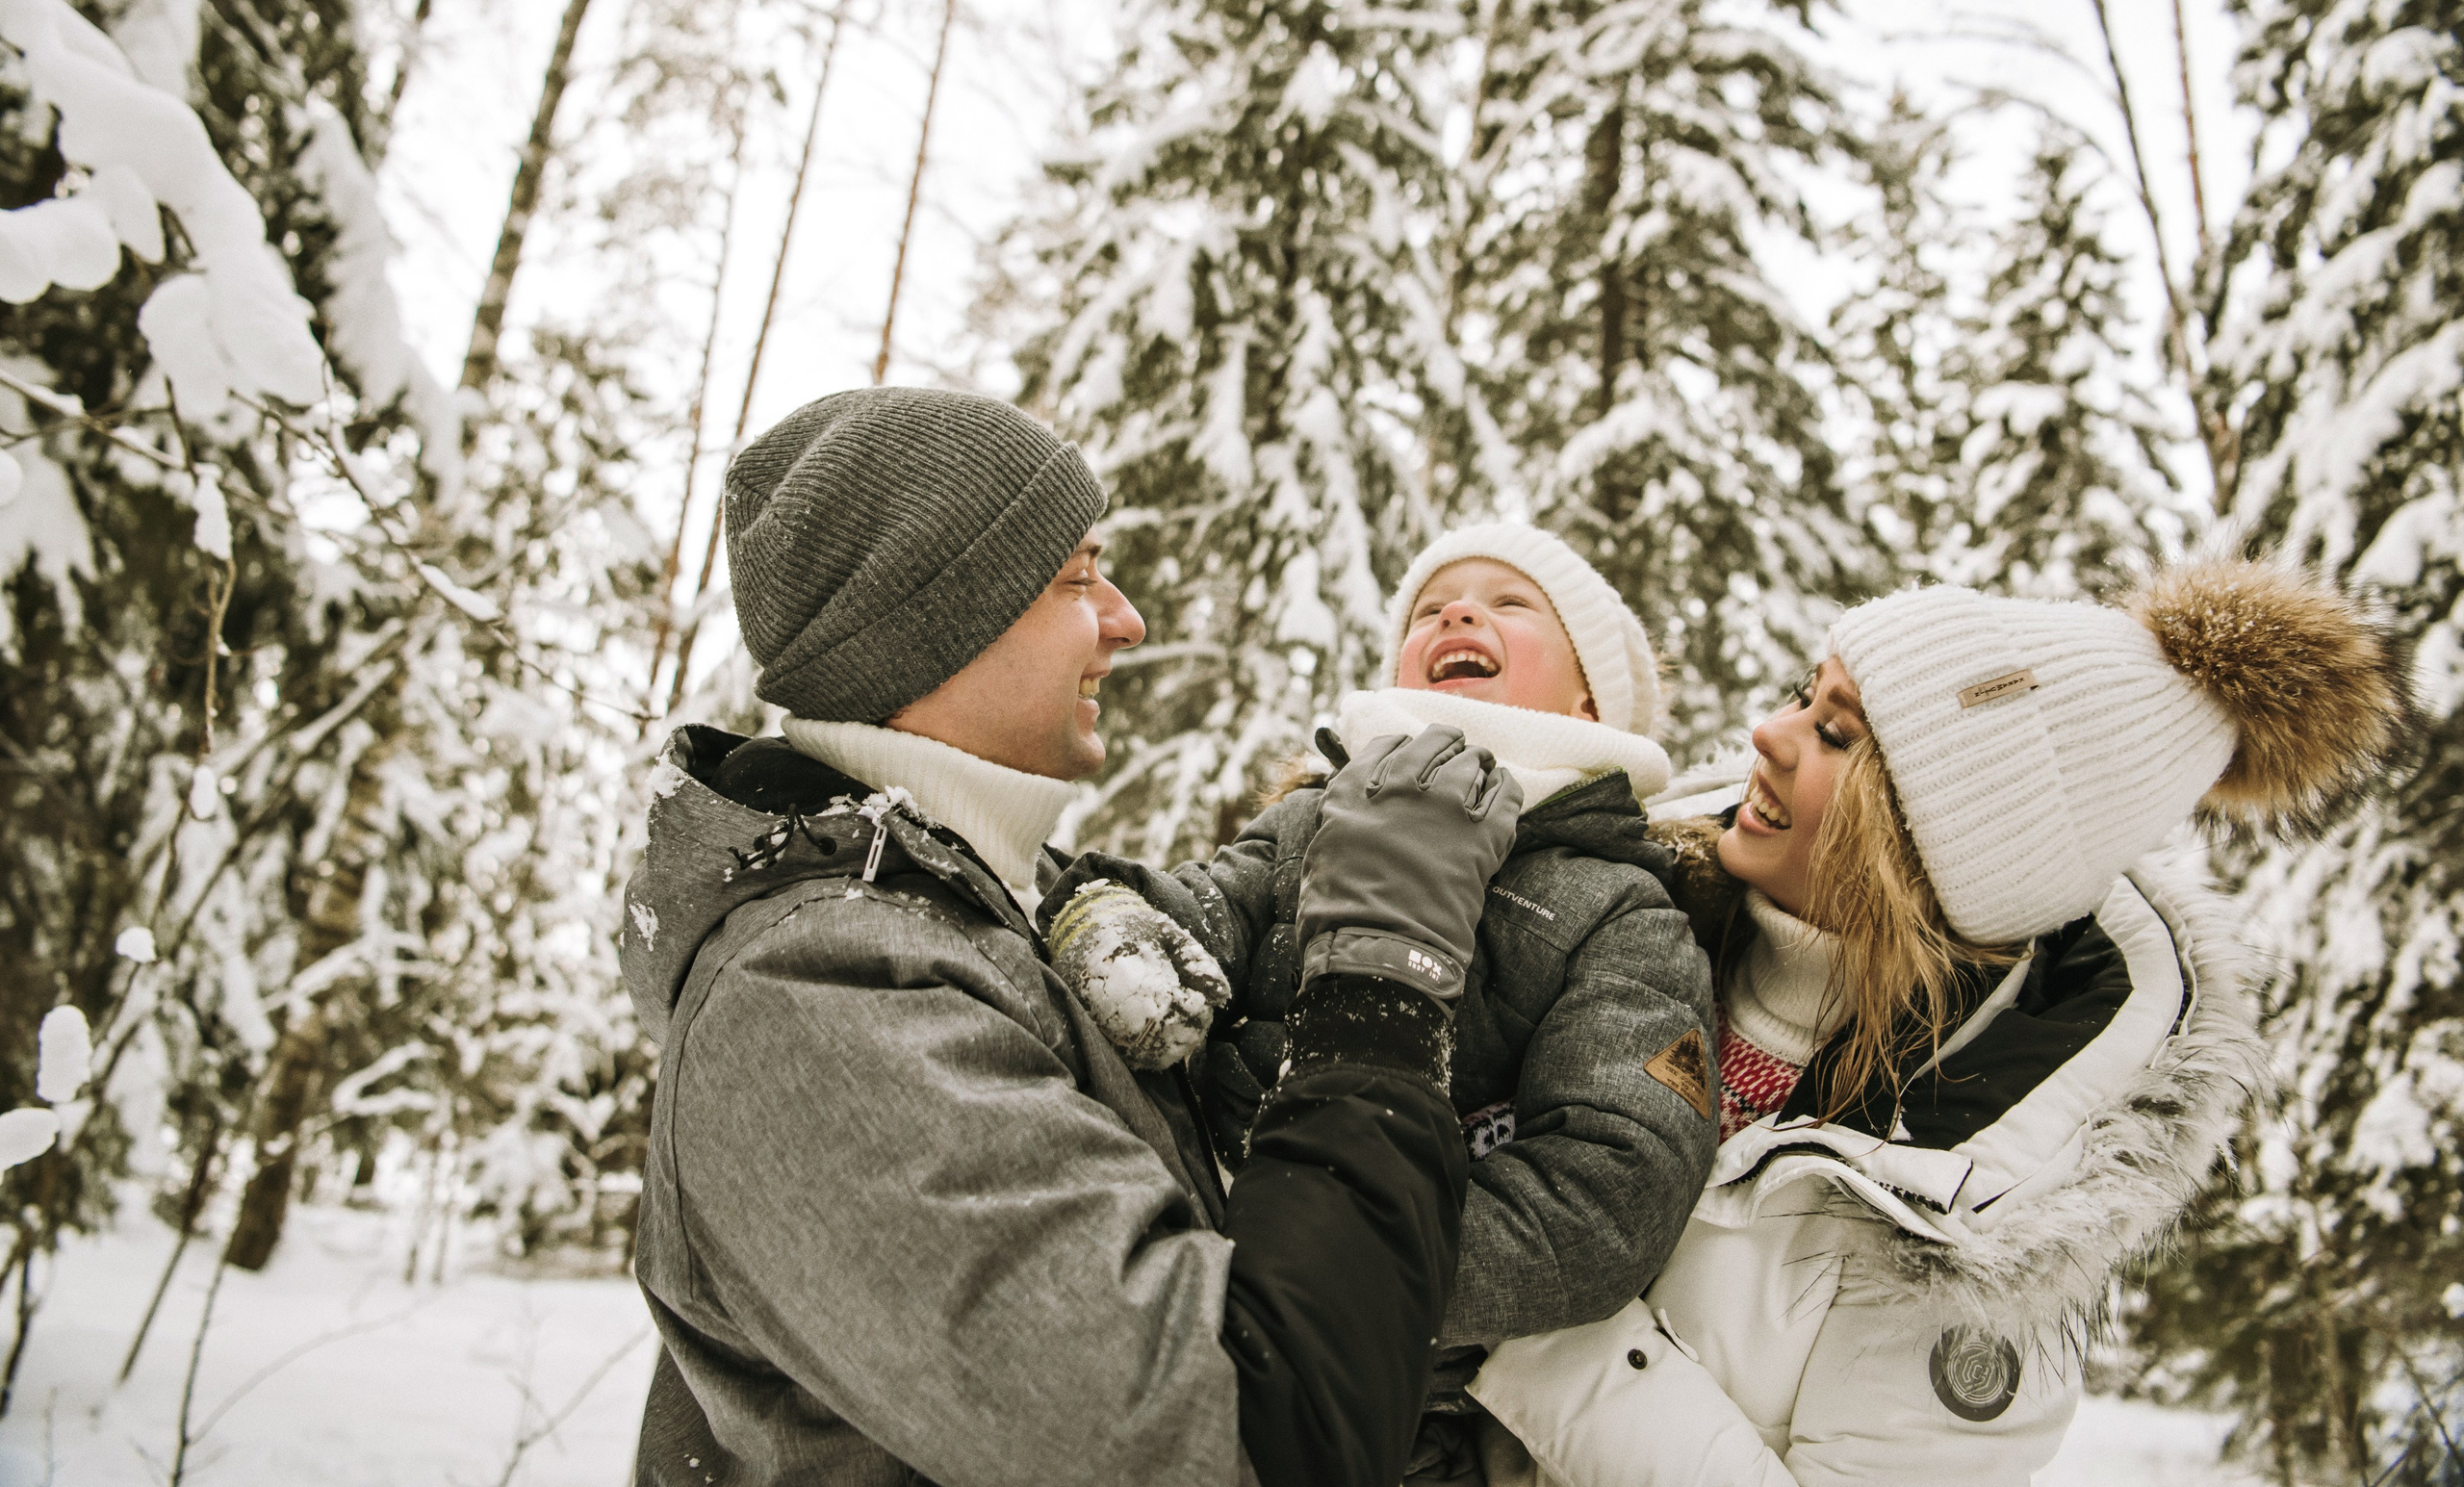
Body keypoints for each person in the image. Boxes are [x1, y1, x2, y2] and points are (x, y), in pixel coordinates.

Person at [617, 387, 1524, 1487]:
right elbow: (1243, 1434)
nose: (1126, 620)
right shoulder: (815, 1004)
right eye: (1077, 578)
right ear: (937, 624)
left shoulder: (992, 916)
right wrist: (1379, 978)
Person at [1467, 559, 2413, 1487]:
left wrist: (1515, 1299)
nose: (1768, 732)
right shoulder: (1599, 919)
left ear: (1931, 846)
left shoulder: (1984, 1203)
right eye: (1802, 694)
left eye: (1834, 733)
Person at [1039, 524, 1719, 1475]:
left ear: (1589, 700)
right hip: (1180, 1270)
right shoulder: (1317, 817)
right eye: (1430, 607)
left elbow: (1610, 1192)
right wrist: (1112, 913)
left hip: (1401, 1400)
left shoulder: (1616, 906)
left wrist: (1361, 1265)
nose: (1459, 611)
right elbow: (1210, 905)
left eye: (1510, 602)